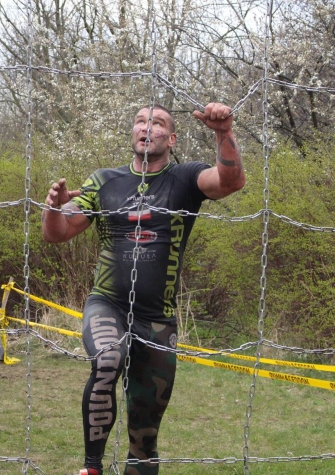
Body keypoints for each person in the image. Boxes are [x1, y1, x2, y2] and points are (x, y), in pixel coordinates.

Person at [42, 103, 245, 475]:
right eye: (140, 121)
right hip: (108, 304)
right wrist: (52, 208)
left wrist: (223, 132)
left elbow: (229, 182)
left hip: (157, 319)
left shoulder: (185, 178)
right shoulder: (104, 181)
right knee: (107, 360)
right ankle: (91, 468)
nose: (146, 127)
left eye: (157, 123)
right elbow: (59, 233)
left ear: (172, 138)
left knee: (145, 441)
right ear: (132, 131)